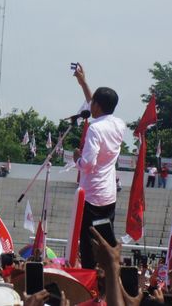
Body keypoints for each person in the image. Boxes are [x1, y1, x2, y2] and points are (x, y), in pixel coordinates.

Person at [72, 63, 126, 270]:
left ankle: (90, 279)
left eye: (93, 103)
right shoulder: (119, 124)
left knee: (88, 242)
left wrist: (76, 158)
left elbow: (87, 164)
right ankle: (111, 274)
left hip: (92, 194)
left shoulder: (95, 129)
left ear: (97, 106)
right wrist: (83, 82)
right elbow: (93, 103)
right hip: (108, 194)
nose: (89, 105)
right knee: (106, 238)